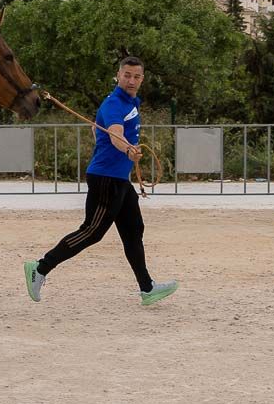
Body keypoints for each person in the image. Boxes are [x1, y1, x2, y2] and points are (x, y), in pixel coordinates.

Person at [24, 57, 178, 306]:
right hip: (106, 178)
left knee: (133, 231)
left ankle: (147, 288)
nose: (131, 80)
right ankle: (39, 268)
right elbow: (116, 136)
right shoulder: (115, 103)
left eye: (136, 76)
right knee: (91, 232)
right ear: (118, 75)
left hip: (119, 180)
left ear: (142, 79)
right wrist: (128, 151)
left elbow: (98, 131)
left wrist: (109, 140)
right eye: (127, 75)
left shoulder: (130, 102)